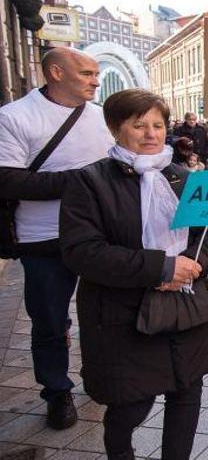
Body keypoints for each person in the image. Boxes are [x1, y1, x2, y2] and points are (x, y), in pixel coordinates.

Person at [60, 89, 208, 458]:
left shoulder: (184, 177)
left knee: (187, 393)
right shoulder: (89, 182)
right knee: (131, 405)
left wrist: (195, 266)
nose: (151, 133)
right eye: (139, 125)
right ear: (116, 129)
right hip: (125, 316)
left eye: (158, 125)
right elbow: (82, 251)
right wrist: (162, 267)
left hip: (186, 310)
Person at [0, 47, 113, 430]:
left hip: (101, 236)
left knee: (104, 316)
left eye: (96, 74)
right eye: (86, 73)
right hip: (43, 239)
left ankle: (101, 379)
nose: (95, 81)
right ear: (55, 72)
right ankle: (57, 391)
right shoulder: (14, 117)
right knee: (49, 321)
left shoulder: (103, 118)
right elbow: (9, 179)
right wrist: (82, 182)